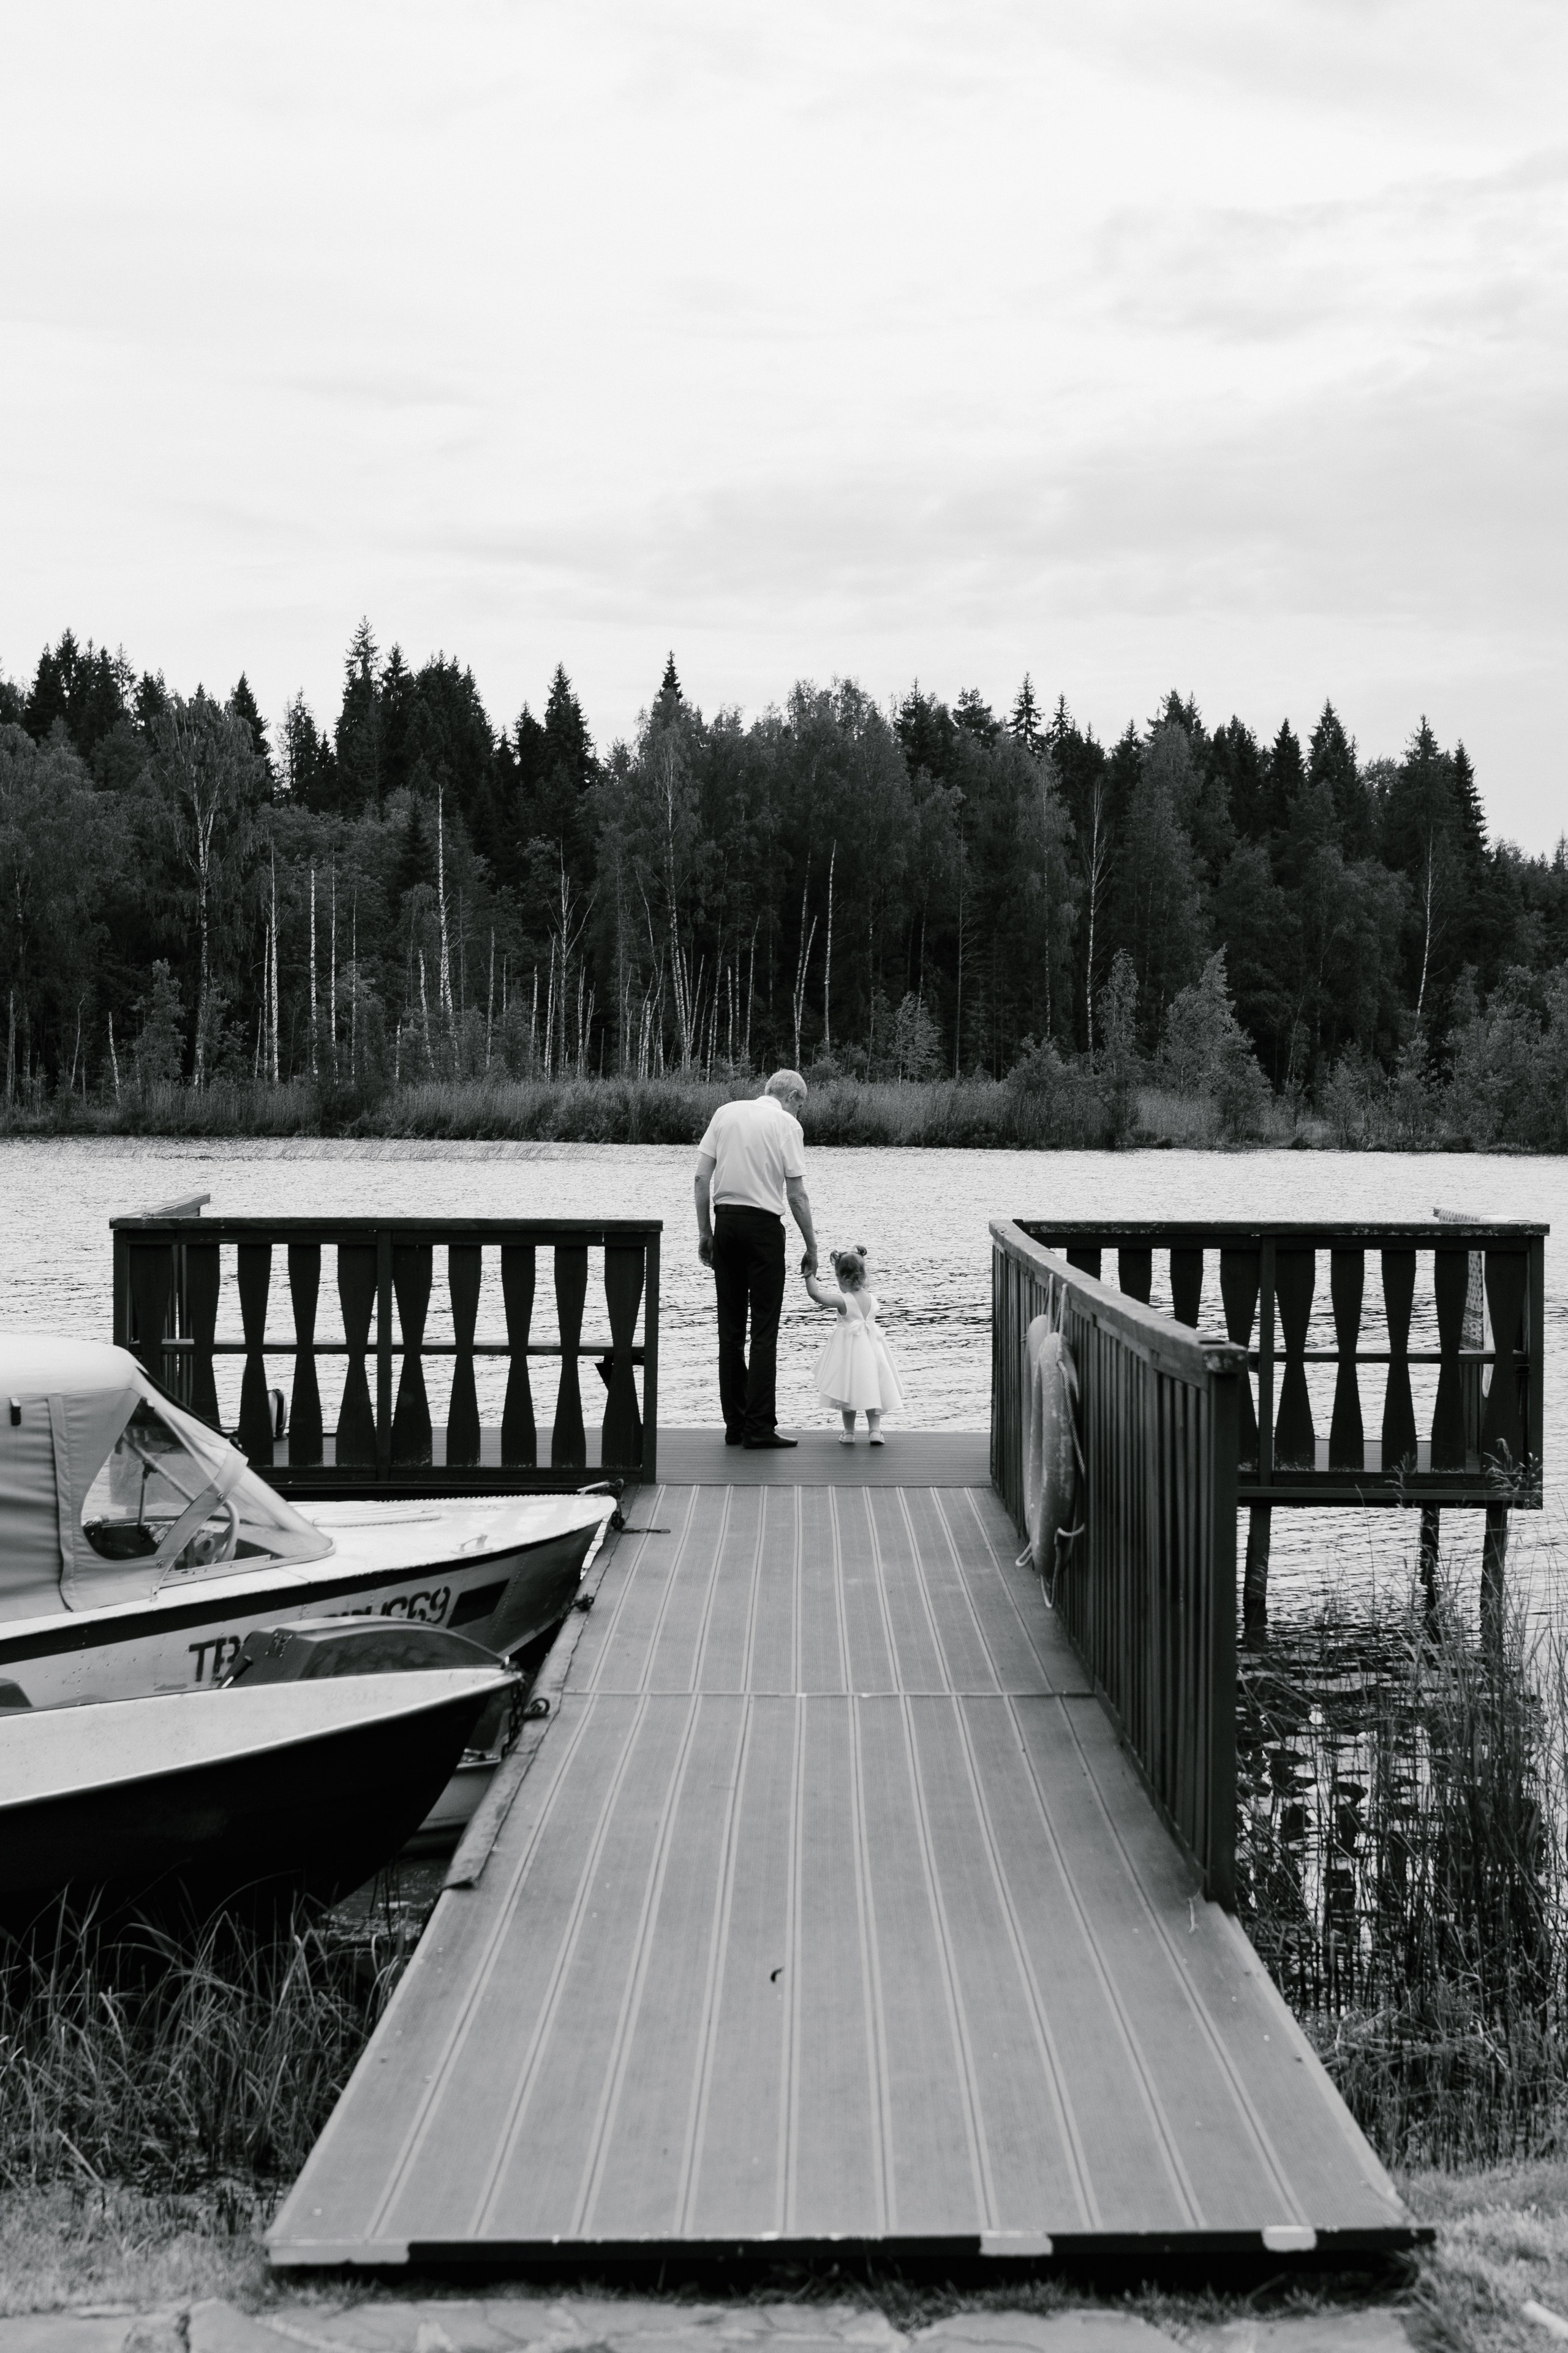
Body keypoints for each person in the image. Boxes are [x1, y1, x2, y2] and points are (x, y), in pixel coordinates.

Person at [694, 1070, 819, 1449]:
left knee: (730, 1332)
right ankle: (759, 1428)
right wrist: (812, 1247)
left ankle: (735, 1425)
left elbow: (701, 1179)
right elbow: (796, 1195)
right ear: (792, 1096)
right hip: (763, 1230)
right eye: (801, 1105)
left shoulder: (725, 1112)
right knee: (764, 1332)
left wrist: (705, 1233)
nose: (799, 1112)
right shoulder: (786, 1125)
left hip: (726, 1224)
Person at [802, 1244, 907, 1445]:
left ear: (844, 1279)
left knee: (848, 1389)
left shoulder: (844, 1300)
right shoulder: (872, 1299)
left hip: (850, 1354)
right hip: (873, 1350)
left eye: (838, 1278)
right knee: (873, 1387)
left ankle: (849, 1433)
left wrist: (809, 1274)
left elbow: (816, 1295)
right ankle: (875, 1431)